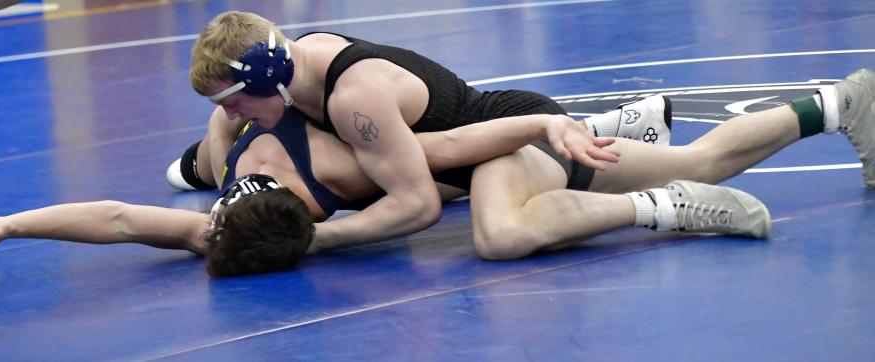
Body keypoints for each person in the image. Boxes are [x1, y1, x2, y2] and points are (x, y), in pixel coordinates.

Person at [183, 11, 672, 250]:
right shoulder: (298, 61)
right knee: (380, 168)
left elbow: (417, 206)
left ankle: (661, 206)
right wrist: (217, 165)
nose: (230, 114)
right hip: (472, 146)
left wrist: (316, 239)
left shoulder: (353, 101)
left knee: (499, 238)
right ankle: (607, 128)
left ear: (269, 81)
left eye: (233, 102)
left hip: (505, 145)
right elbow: (221, 123)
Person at [0, 108, 624, 276]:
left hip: (438, 139)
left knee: (189, 170)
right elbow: (115, 218)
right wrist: (6, 222)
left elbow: (116, 219)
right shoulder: (321, 180)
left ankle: (598, 130)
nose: (207, 222)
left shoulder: (226, 216)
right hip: (409, 148)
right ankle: (605, 133)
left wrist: (10, 221)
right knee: (438, 180)